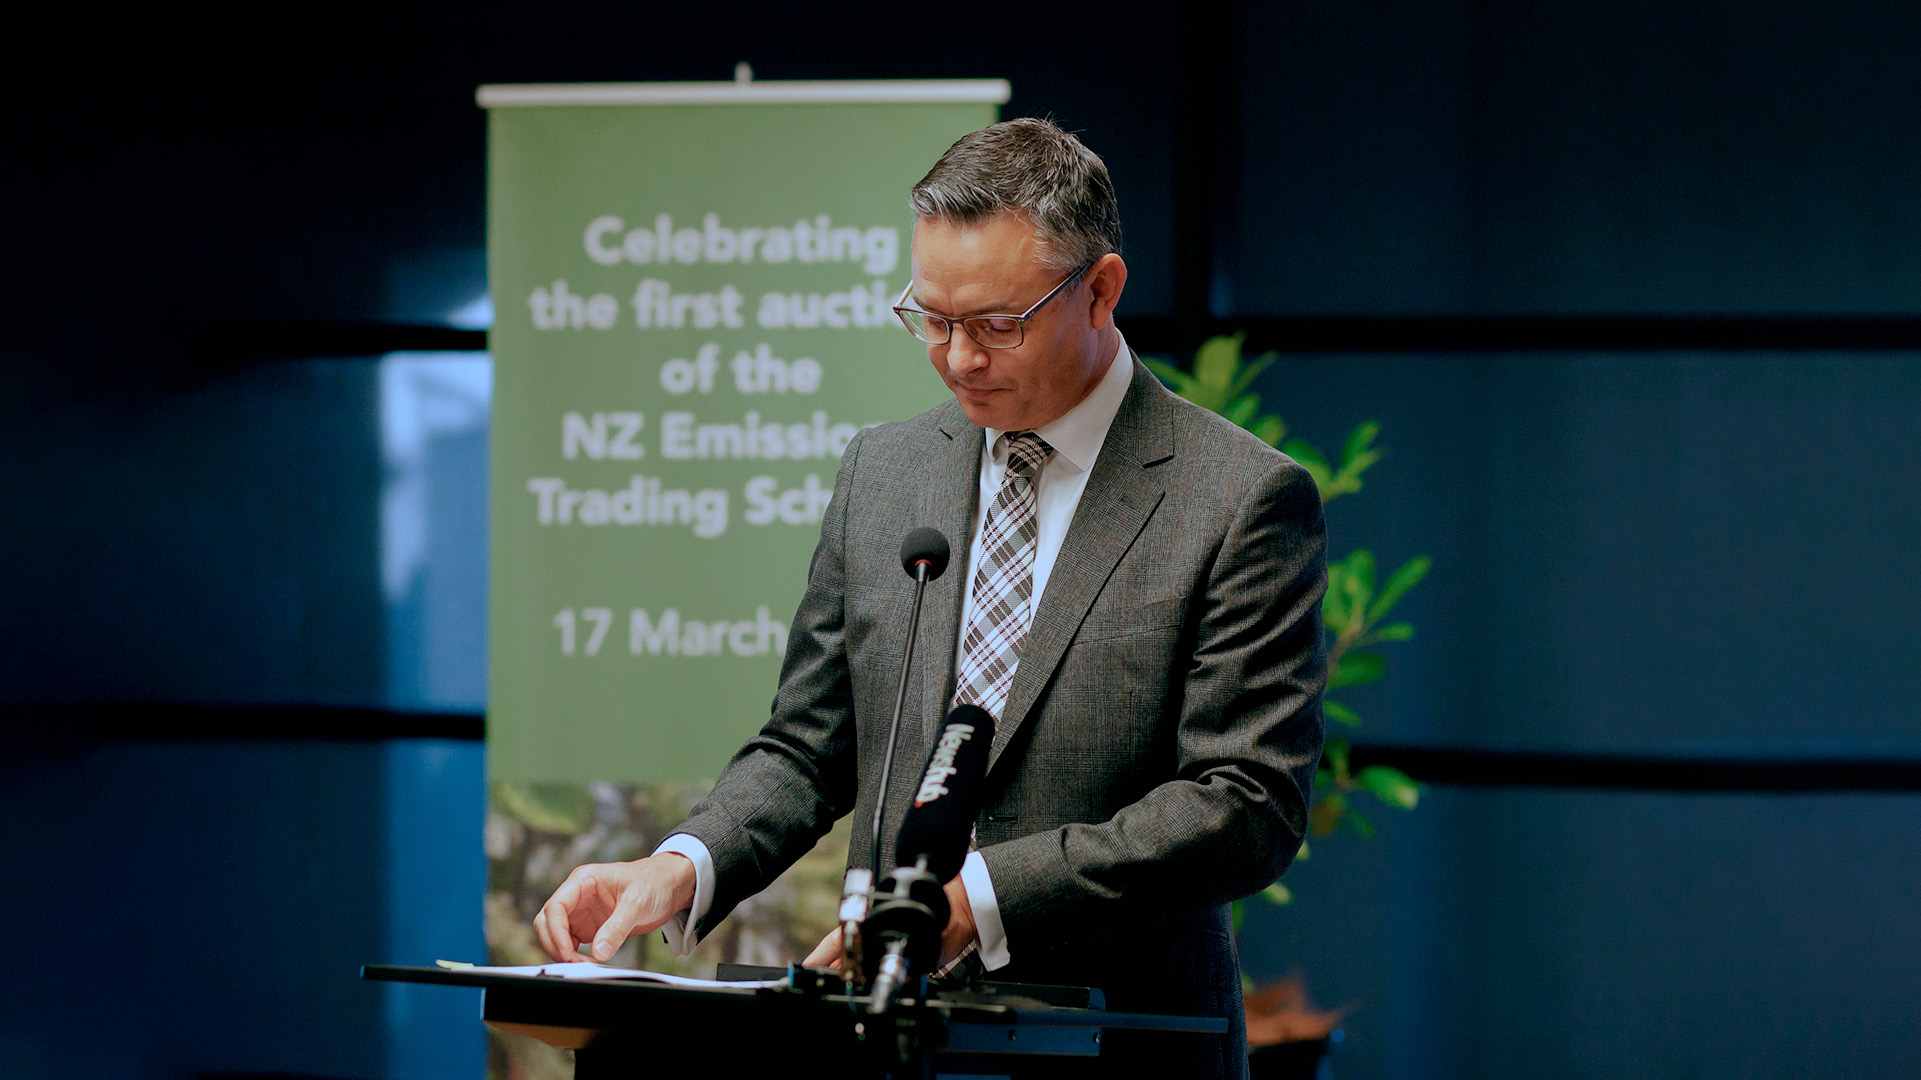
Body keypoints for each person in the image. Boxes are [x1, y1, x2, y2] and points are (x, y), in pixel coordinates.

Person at [533, 117, 1327, 1079]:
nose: (958, 358)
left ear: (1101, 291)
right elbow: (809, 745)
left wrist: (974, 900)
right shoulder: (883, 472)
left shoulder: (1237, 498)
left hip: (1118, 1049)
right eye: (931, 319)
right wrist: (682, 863)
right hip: (877, 1049)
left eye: (995, 325)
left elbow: (1243, 805)